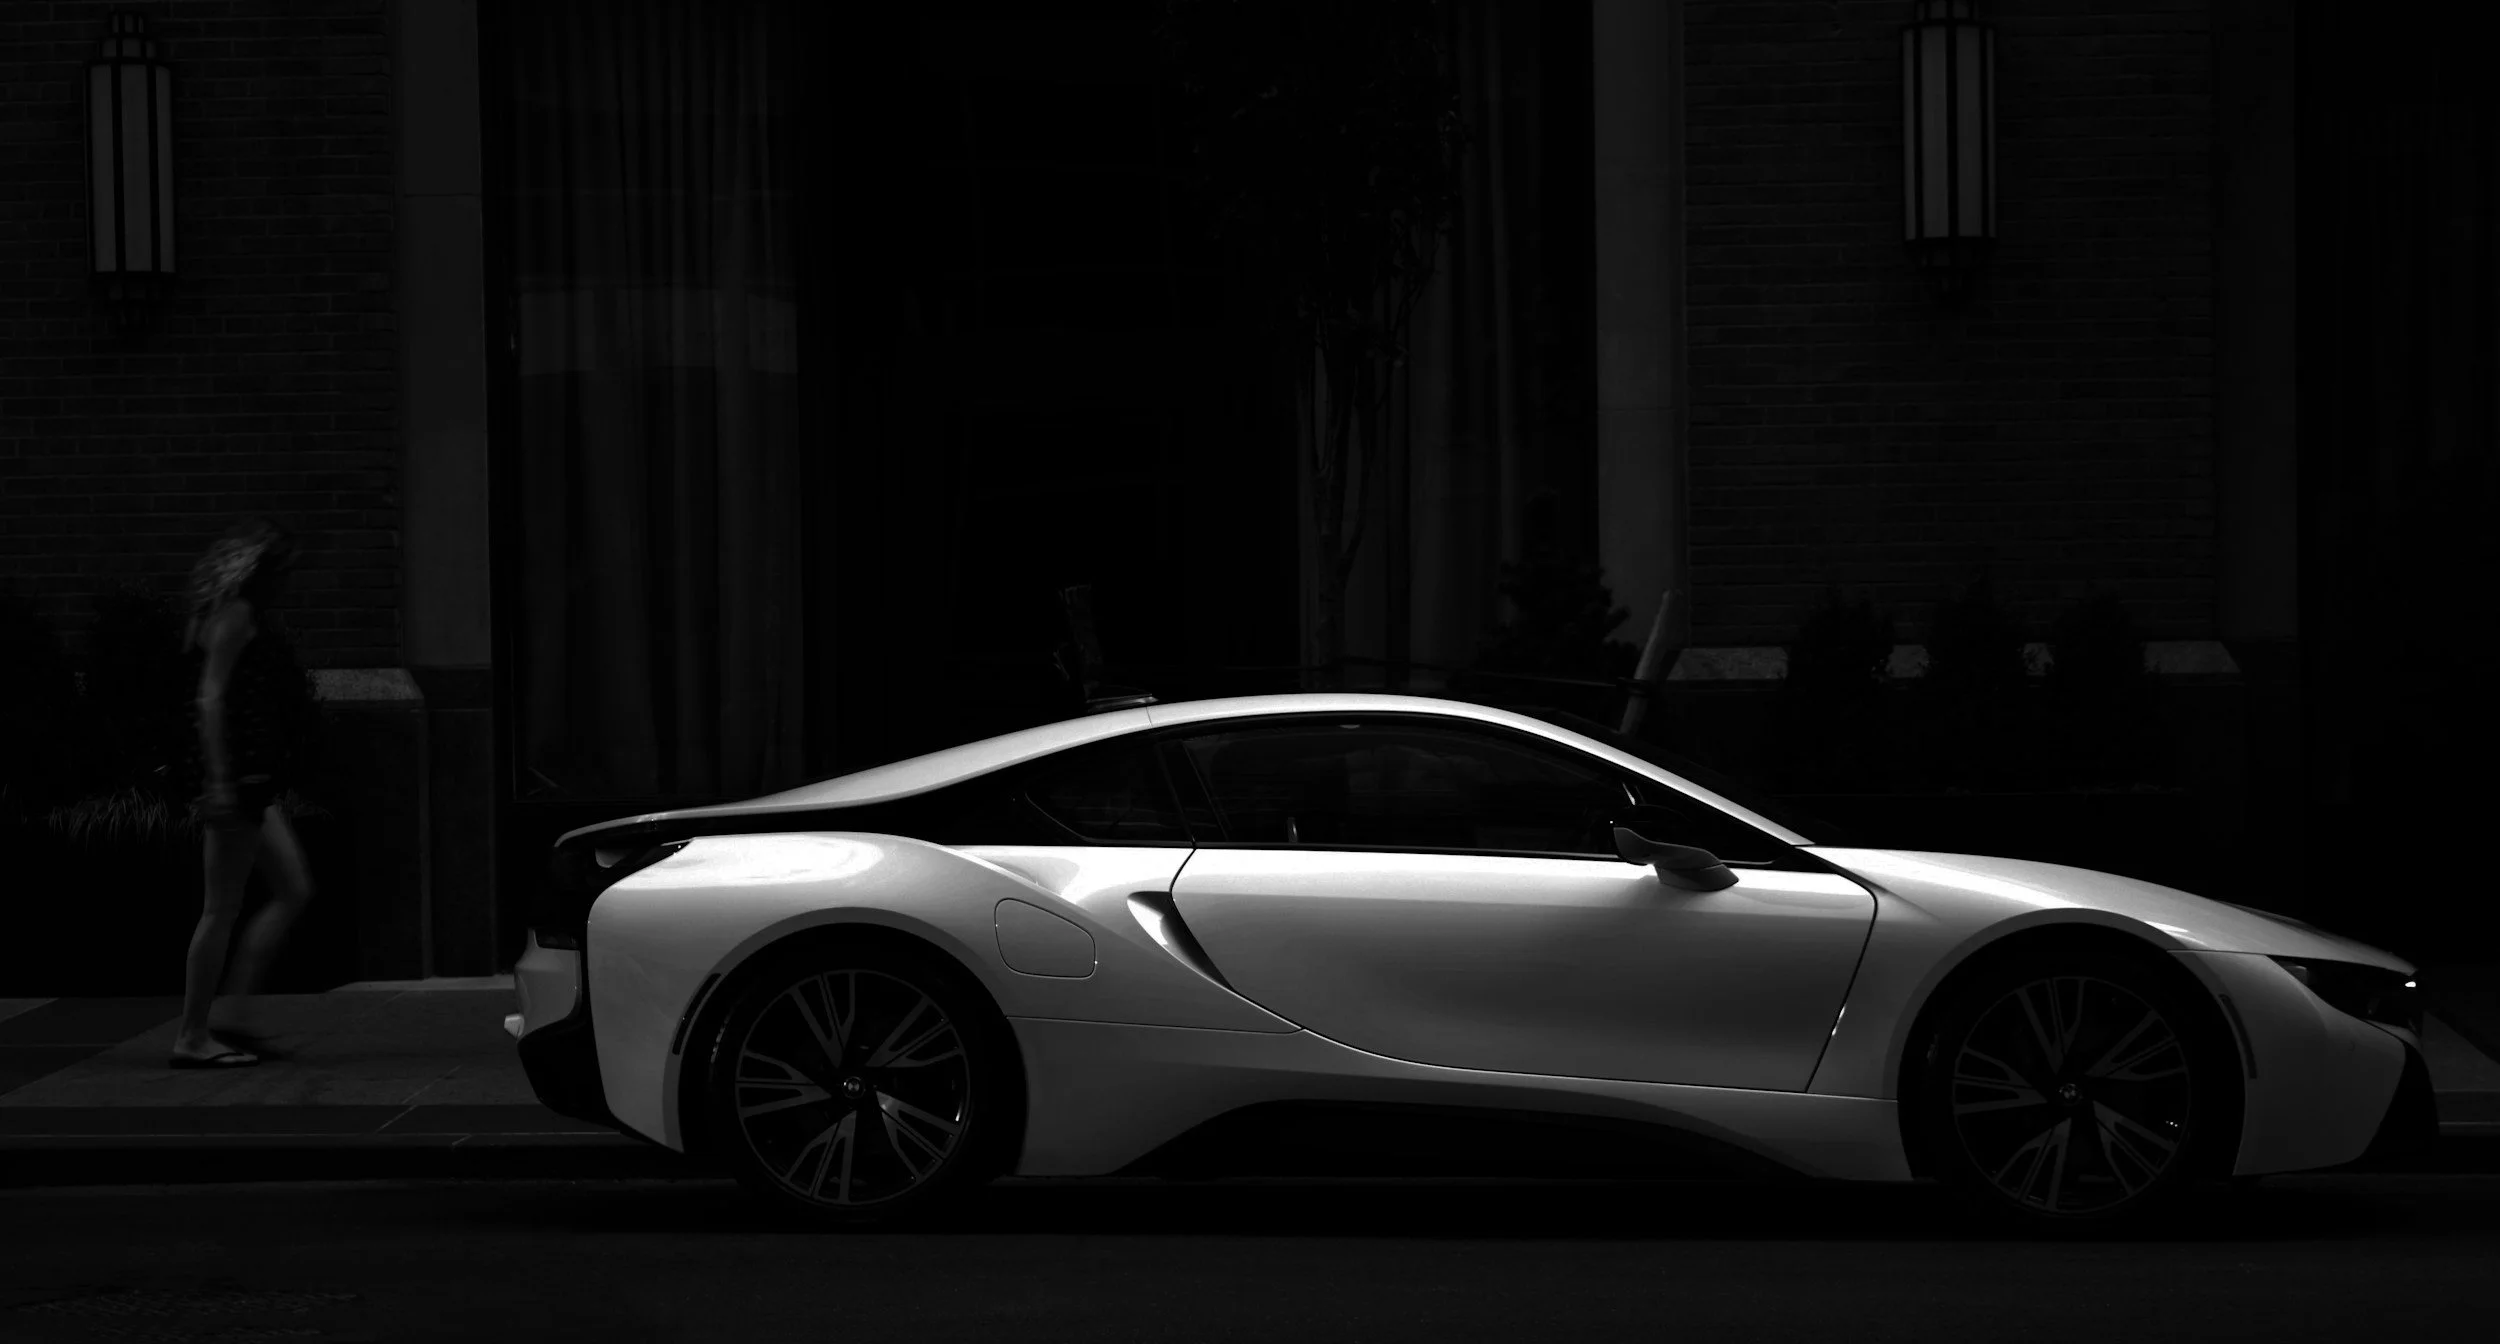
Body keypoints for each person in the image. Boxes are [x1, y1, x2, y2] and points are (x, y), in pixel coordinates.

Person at [168, 519, 316, 1069]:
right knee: (220, 909)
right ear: (260, 571)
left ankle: (232, 1016)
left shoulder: (216, 614)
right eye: (282, 572)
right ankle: (193, 1035)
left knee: (294, 888)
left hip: (252, 785)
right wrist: (219, 782)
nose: (287, 583)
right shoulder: (234, 616)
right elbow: (209, 699)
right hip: (236, 784)